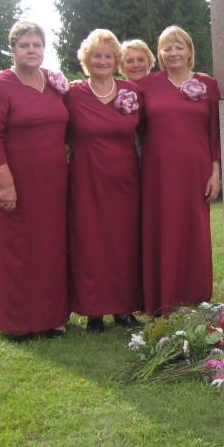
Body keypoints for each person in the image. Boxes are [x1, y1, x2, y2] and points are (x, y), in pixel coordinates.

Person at [0, 20, 70, 341]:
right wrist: (5, 185)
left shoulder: (53, 84)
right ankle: (17, 321)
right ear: (12, 49)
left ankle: (52, 318)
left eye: (37, 45)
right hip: (15, 184)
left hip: (53, 185)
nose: (32, 50)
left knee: (51, 250)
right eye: (25, 45)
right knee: (16, 251)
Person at [139, 26, 221, 315]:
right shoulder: (147, 84)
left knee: (194, 230)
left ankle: (196, 298)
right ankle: (163, 299)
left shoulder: (208, 85)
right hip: (158, 170)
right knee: (162, 229)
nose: (172, 53)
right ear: (160, 54)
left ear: (189, 51)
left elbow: (215, 132)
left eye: (178, 47)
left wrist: (215, 171)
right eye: (166, 48)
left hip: (196, 169)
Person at [65, 29, 144, 332]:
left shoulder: (131, 93)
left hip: (124, 181)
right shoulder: (72, 94)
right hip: (85, 181)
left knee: (124, 243)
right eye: (96, 55)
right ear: (86, 60)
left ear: (116, 61)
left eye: (108, 56)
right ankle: (93, 311)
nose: (102, 60)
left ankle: (123, 309)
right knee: (89, 243)